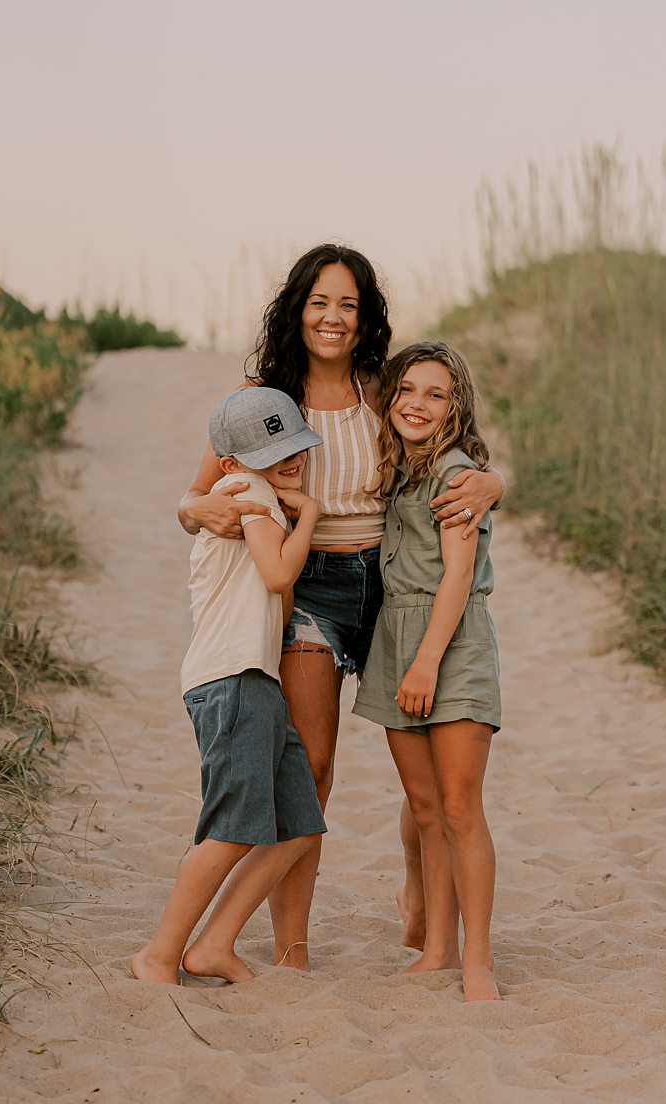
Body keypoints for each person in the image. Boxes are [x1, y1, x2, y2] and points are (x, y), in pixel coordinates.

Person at [177, 245, 506, 971]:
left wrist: (493, 483)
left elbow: (451, 433)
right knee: (315, 766)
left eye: (348, 304)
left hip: (391, 586)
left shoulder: (380, 385)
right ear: (298, 310)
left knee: (423, 783)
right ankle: (292, 949)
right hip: (309, 589)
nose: (333, 317)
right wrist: (195, 506)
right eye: (320, 302)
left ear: (366, 318)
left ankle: (420, 895)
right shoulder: (264, 396)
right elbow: (194, 495)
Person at [132, 388, 327, 984]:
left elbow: (277, 589)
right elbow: (277, 576)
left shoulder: (257, 494)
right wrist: (311, 515)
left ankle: (214, 944)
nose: (289, 460)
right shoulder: (250, 492)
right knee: (230, 829)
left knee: (298, 826)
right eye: (273, 451)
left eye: (294, 446)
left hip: (254, 677)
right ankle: (160, 954)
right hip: (231, 677)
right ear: (232, 462)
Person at [350, 342, 505, 1001]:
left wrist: (425, 662)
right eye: (407, 388)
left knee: (461, 804)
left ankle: (478, 961)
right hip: (395, 638)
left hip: (451, 642)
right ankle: (437, 946)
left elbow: (459, 575)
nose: (417, 402)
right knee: (424, 806)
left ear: (456, 406)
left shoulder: (455, 473)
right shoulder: (396, 466)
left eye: (435, 393)